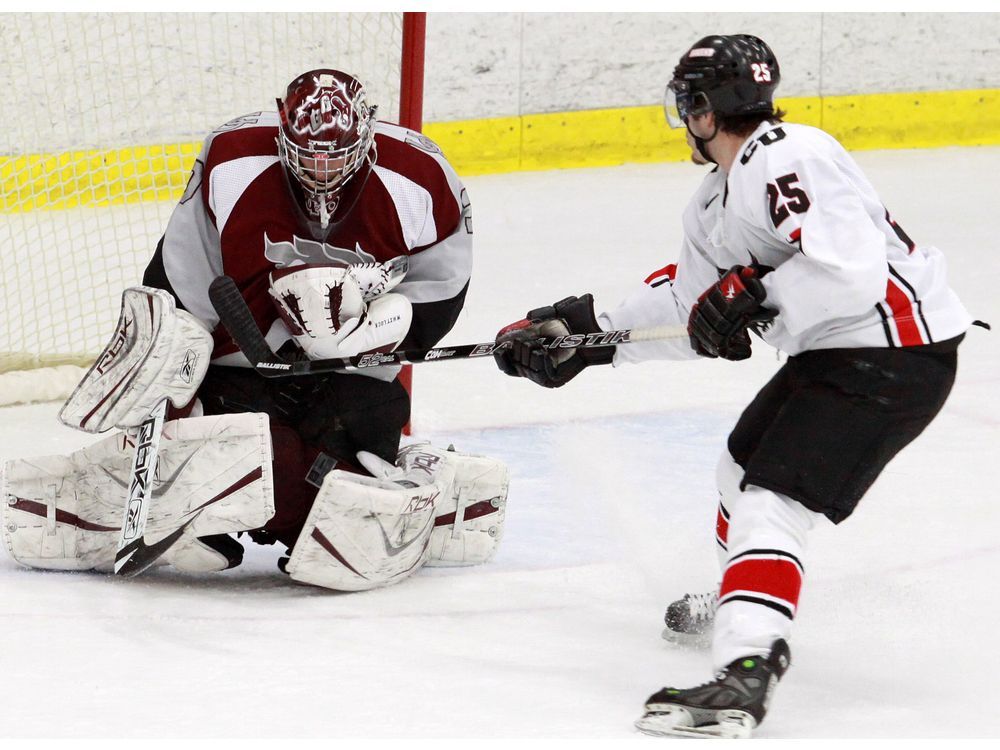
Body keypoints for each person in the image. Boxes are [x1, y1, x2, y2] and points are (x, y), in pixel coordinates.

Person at [493, 35, 976, 738]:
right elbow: (691, 303)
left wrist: (757, 295)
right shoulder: (716, 199)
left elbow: (851, 271)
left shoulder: (790, 155)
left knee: (770, 503)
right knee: (738, 472)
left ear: (704, 112)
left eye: (689, 106)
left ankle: (746, 671)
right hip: (840, 354)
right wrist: (584, 339)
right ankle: (738, 598)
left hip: (894, 353)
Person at [2, 70, 508, 591]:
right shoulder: (233, 161)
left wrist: (378, 332)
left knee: (342, 503)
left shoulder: (420, 176)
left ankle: (400, 486)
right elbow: (180, 278)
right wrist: (169, 385)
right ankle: (199, 489)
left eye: (337, 157)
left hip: (350, 378)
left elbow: (441, 286)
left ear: (369, 131)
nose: (323, 172)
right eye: (308, 156)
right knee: (264, 461)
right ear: (282, 133)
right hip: (238, 369)